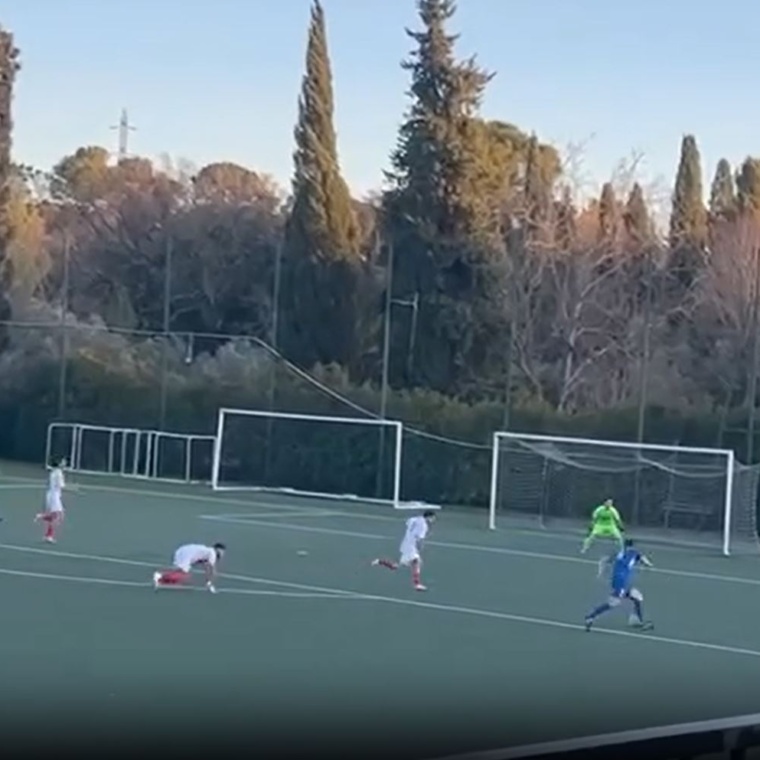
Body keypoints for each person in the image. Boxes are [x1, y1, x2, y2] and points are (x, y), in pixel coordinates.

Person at [585, 538, 654, 631]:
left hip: (617, 580)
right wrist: (649, 565)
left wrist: (600, 572)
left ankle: (637, 620)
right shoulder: (634, 553)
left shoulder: (618, 553)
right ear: (633, 546)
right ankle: (590, 617)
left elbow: (603, 560)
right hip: (621, 582)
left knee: (637, 597)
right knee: (613, 603)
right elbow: (645, 560)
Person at [372, 510, 436, 591]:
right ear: (429, 517)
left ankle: (380, 561)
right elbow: (419, 539)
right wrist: (420, 547)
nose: (433, 520)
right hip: (411, 546)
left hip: (406, 544)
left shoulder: (414, 519)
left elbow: (408, 524)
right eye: (432, 518)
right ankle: (417, 584)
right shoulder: (424, 526)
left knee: (396, 566)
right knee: (416, 562)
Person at [153, 542, 226, 593]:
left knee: (181, 573)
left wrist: (208, 582)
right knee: (183, 574)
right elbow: (212, 570)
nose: (223, 554)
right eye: (222, 551)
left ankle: (162, 580)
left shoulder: (208, 552)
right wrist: (210, 583)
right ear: (218, 549)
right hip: (185, 554)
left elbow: (207, 568)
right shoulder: (212, 553)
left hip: (182, 551)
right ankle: (160, 576)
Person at [35, 457, 68, 543]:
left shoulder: (54, 471)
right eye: (63, 462)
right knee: (58, 516)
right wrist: (74, 489)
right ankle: (49, 534)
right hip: (54, 496)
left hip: (50, 495)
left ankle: (48, 534)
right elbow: (61, 486)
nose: (64, 463)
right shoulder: (58, 473)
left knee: (55, 516)